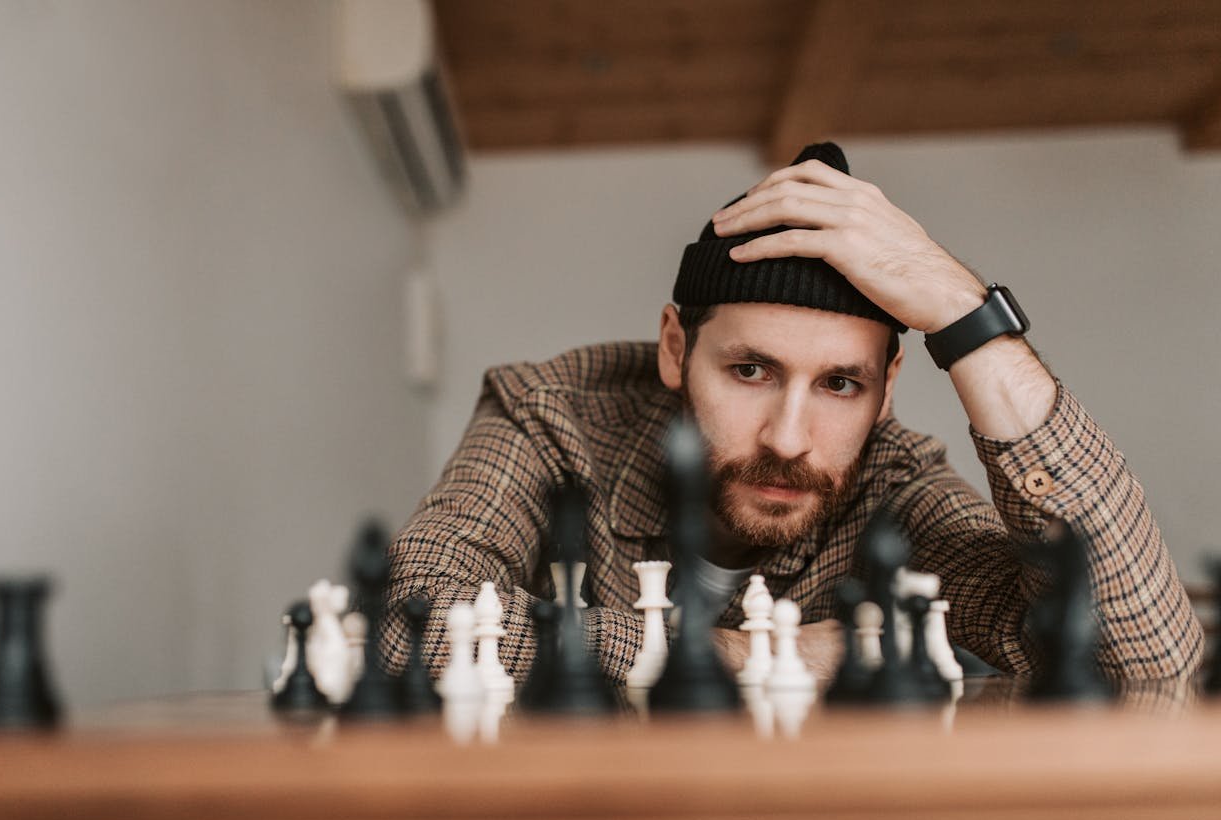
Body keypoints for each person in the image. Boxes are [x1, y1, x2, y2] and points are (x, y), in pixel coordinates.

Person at [381, 142, 1203, 684]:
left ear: (887, 388)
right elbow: (408, 616)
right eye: (750, 370)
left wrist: (967, 315)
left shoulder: (894, 481)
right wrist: (738, 655)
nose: (787, 437)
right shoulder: (552, 413)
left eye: (841, 384)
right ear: (676, 348)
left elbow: (1148, 662)